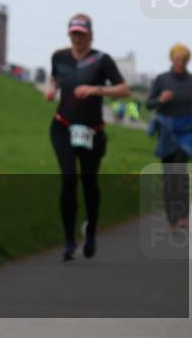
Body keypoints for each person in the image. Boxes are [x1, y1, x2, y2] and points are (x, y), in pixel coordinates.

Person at [45, 14, 129, 261]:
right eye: (74, 34)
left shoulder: (101, 60)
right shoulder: (59, 57)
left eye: (82, 34)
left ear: (90, 35)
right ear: (69, 34)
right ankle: (69, 241)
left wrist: (96, 89)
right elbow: (55, 77)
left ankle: (91, 231)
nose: (78, 38)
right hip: (62, 126)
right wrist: (52, 89)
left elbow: (124, 90)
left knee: (90, 183)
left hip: (92, 130)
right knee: (69, 178)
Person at [146, 43, 192, 231]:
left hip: (187, 129)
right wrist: (160, 100)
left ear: (187, 61)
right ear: (171, 59)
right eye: (177, 59)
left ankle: (184, 216)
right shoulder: (162, 79)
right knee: (169, 176)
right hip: (167, 130)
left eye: (184, 59)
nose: (180, 62)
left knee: (179, 173)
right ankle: (172, 218)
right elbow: (149, 104)